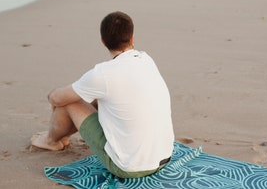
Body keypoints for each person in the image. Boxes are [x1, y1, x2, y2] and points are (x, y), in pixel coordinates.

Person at [31, 11, 174, 178]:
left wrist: (52, 97)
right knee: (101, 98)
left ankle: (51, 140)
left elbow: (58, 98)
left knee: (69, 101)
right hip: (164, 157)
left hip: (129, 168)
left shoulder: (103, 74)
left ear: (103, 41)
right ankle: (60, 136)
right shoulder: (147, 60)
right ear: (132, 38)